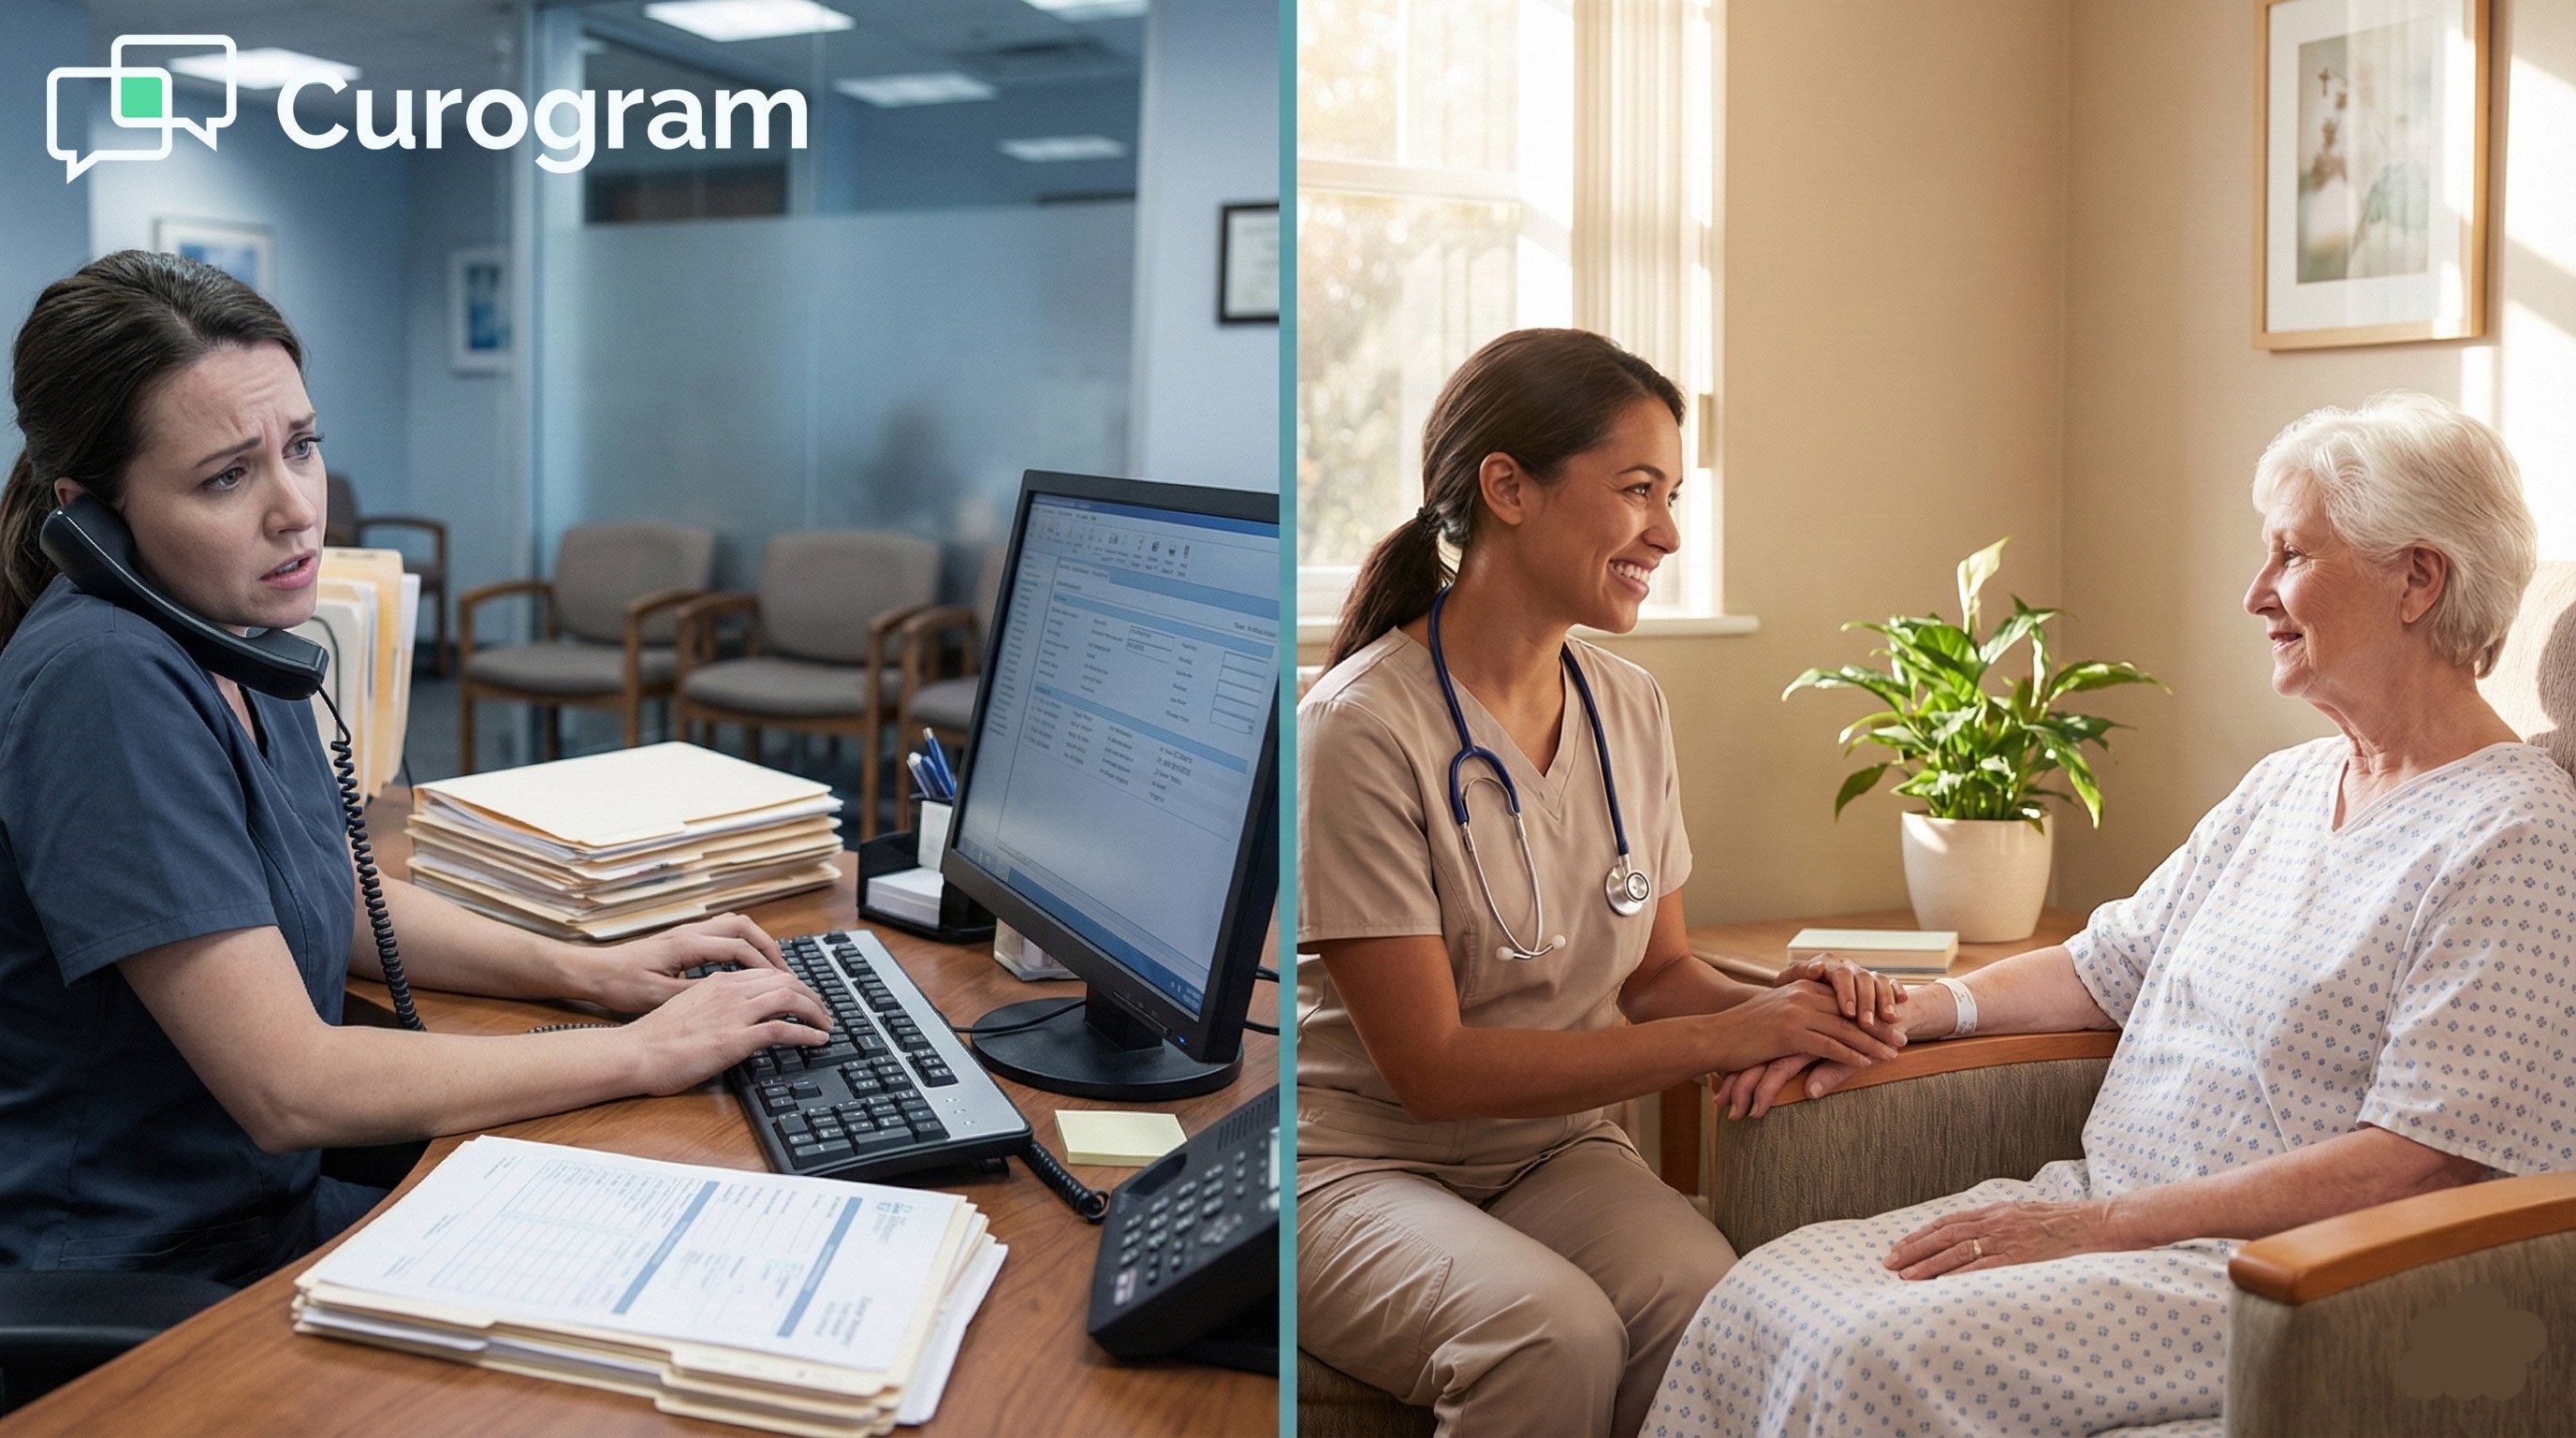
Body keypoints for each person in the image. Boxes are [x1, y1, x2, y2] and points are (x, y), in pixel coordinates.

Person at [1646, 391, 2576, 1438]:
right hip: (2107, 1205)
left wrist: (2096, 1228)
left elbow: (2428, 1157)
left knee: (1867, 1353)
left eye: (2290, 556)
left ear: (2418, 579)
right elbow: (2106, 963)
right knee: (1762, 1295)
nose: (2253, 594)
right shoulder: (2284, 785)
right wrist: (1910, 1014)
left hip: (2265, 1272)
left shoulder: (2514, 836)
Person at [0, 251, 832, 1286]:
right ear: (94, 518)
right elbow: (291, 1087)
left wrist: (585, 968)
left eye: (300, 448)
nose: (296, 509)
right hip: (151, 1276)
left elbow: (326, 886)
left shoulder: (223, 623)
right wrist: (645, 1050)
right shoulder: (104, 679)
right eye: (226, 476)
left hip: (265, 1212)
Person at [1296, 328, 1910, 1438]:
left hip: (1552, 1148)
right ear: (1507, 489)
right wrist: (1722, 1040)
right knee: (1549, 1334)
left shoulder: (1627, 705)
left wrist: (1795, 1003)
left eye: (1671, 496)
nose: (1666, 533)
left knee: (1711, 1302)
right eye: (1637, 491)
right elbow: (1431, 1070)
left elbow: (1660, 976)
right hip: (1349, 1156)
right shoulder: (1358, 726)